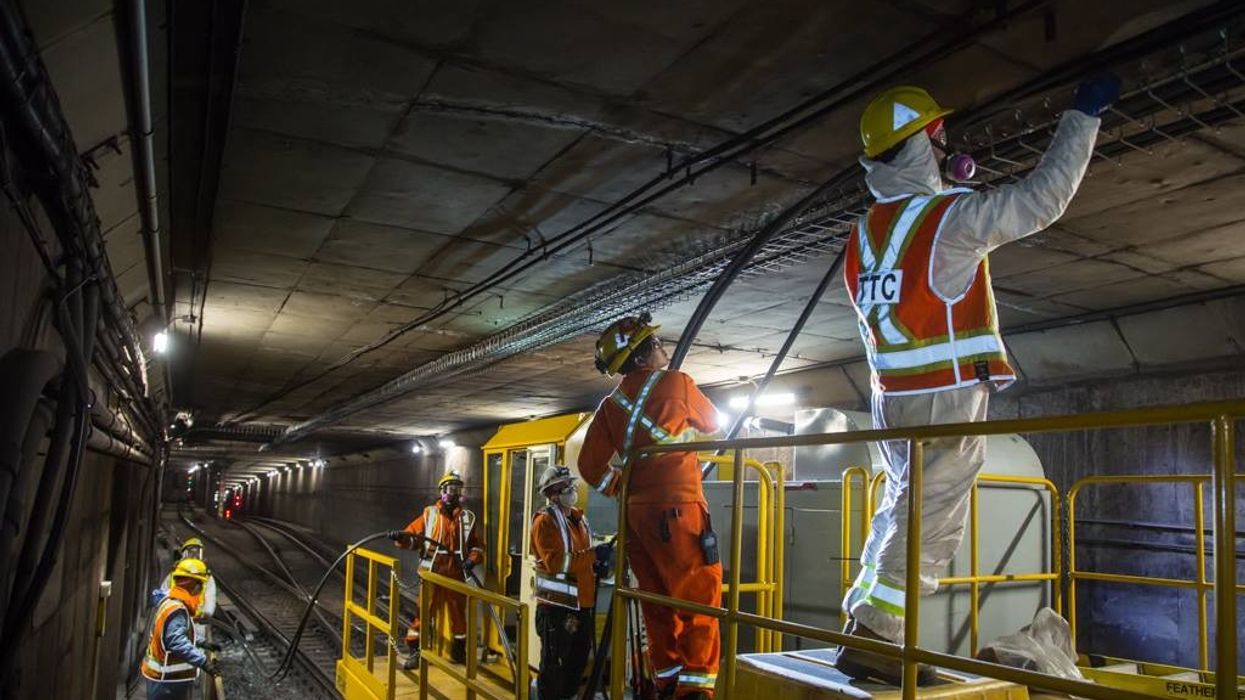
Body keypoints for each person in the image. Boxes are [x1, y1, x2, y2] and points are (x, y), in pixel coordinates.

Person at [833, 76, 1120, 685]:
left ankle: (862, 620)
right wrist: (1083, 117)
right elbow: (1042, 199)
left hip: (892, 401)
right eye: (938, 139)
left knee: (899, 507)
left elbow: (914, 282)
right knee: (931, 518)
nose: (946, 147)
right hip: (946, 396)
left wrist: (947, 202)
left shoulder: (864, 234)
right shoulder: (948, 220)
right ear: (919, 147)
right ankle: (877, 638)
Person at [578, 313, 723, 699]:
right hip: (679, 507)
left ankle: (668, 679)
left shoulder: (611, 405)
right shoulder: (677, 383)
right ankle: (695, 687)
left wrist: (624, 487)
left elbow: (589, 466)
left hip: (637, 514)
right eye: (658, 345)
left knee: (656, 597)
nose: (664, 350)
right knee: (698, 595)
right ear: (643, 355)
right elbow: (712, 423)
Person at [530, 465, 613, 700]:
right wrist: (594, 555)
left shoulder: (578, 519)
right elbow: (557, 563)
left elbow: (581, 555)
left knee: (576, 663)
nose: (570, 489)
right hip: (557, 608)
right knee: (554, 665)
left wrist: (595, 564)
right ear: (550, 494)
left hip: (582, 604)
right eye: (563, 486)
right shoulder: (545, 522)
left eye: (570, 485)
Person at [392, 469, 485, 669]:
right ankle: (415, 652)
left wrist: (472, 560)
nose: (454, 492)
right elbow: (413, 538)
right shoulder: (430, 514)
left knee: (459, 616)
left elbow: (478, 546)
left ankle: (459, 652)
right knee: (424, 613)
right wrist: (400, 537)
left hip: (456, 574)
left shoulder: (468, 518)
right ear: (442, 491)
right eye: (450, 488)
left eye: (457, 489)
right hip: (432, 574)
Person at [140, 558, 220, 699]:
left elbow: (177, 633)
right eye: (199, 583)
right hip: (166, 680)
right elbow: (177, 642)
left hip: (164, 679)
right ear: (190, 582)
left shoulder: (171, 602)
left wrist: (202, 642)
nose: (200, 588)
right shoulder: (177, 609)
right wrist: (204, 662)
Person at [152, 537, 218, 640]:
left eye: (197, 553)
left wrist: (206, 613)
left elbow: (210, 597)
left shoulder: (207, 578)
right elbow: (163, 594)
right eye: (190, 553)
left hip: (196, 623)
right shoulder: (174, 575)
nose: (194, 556)